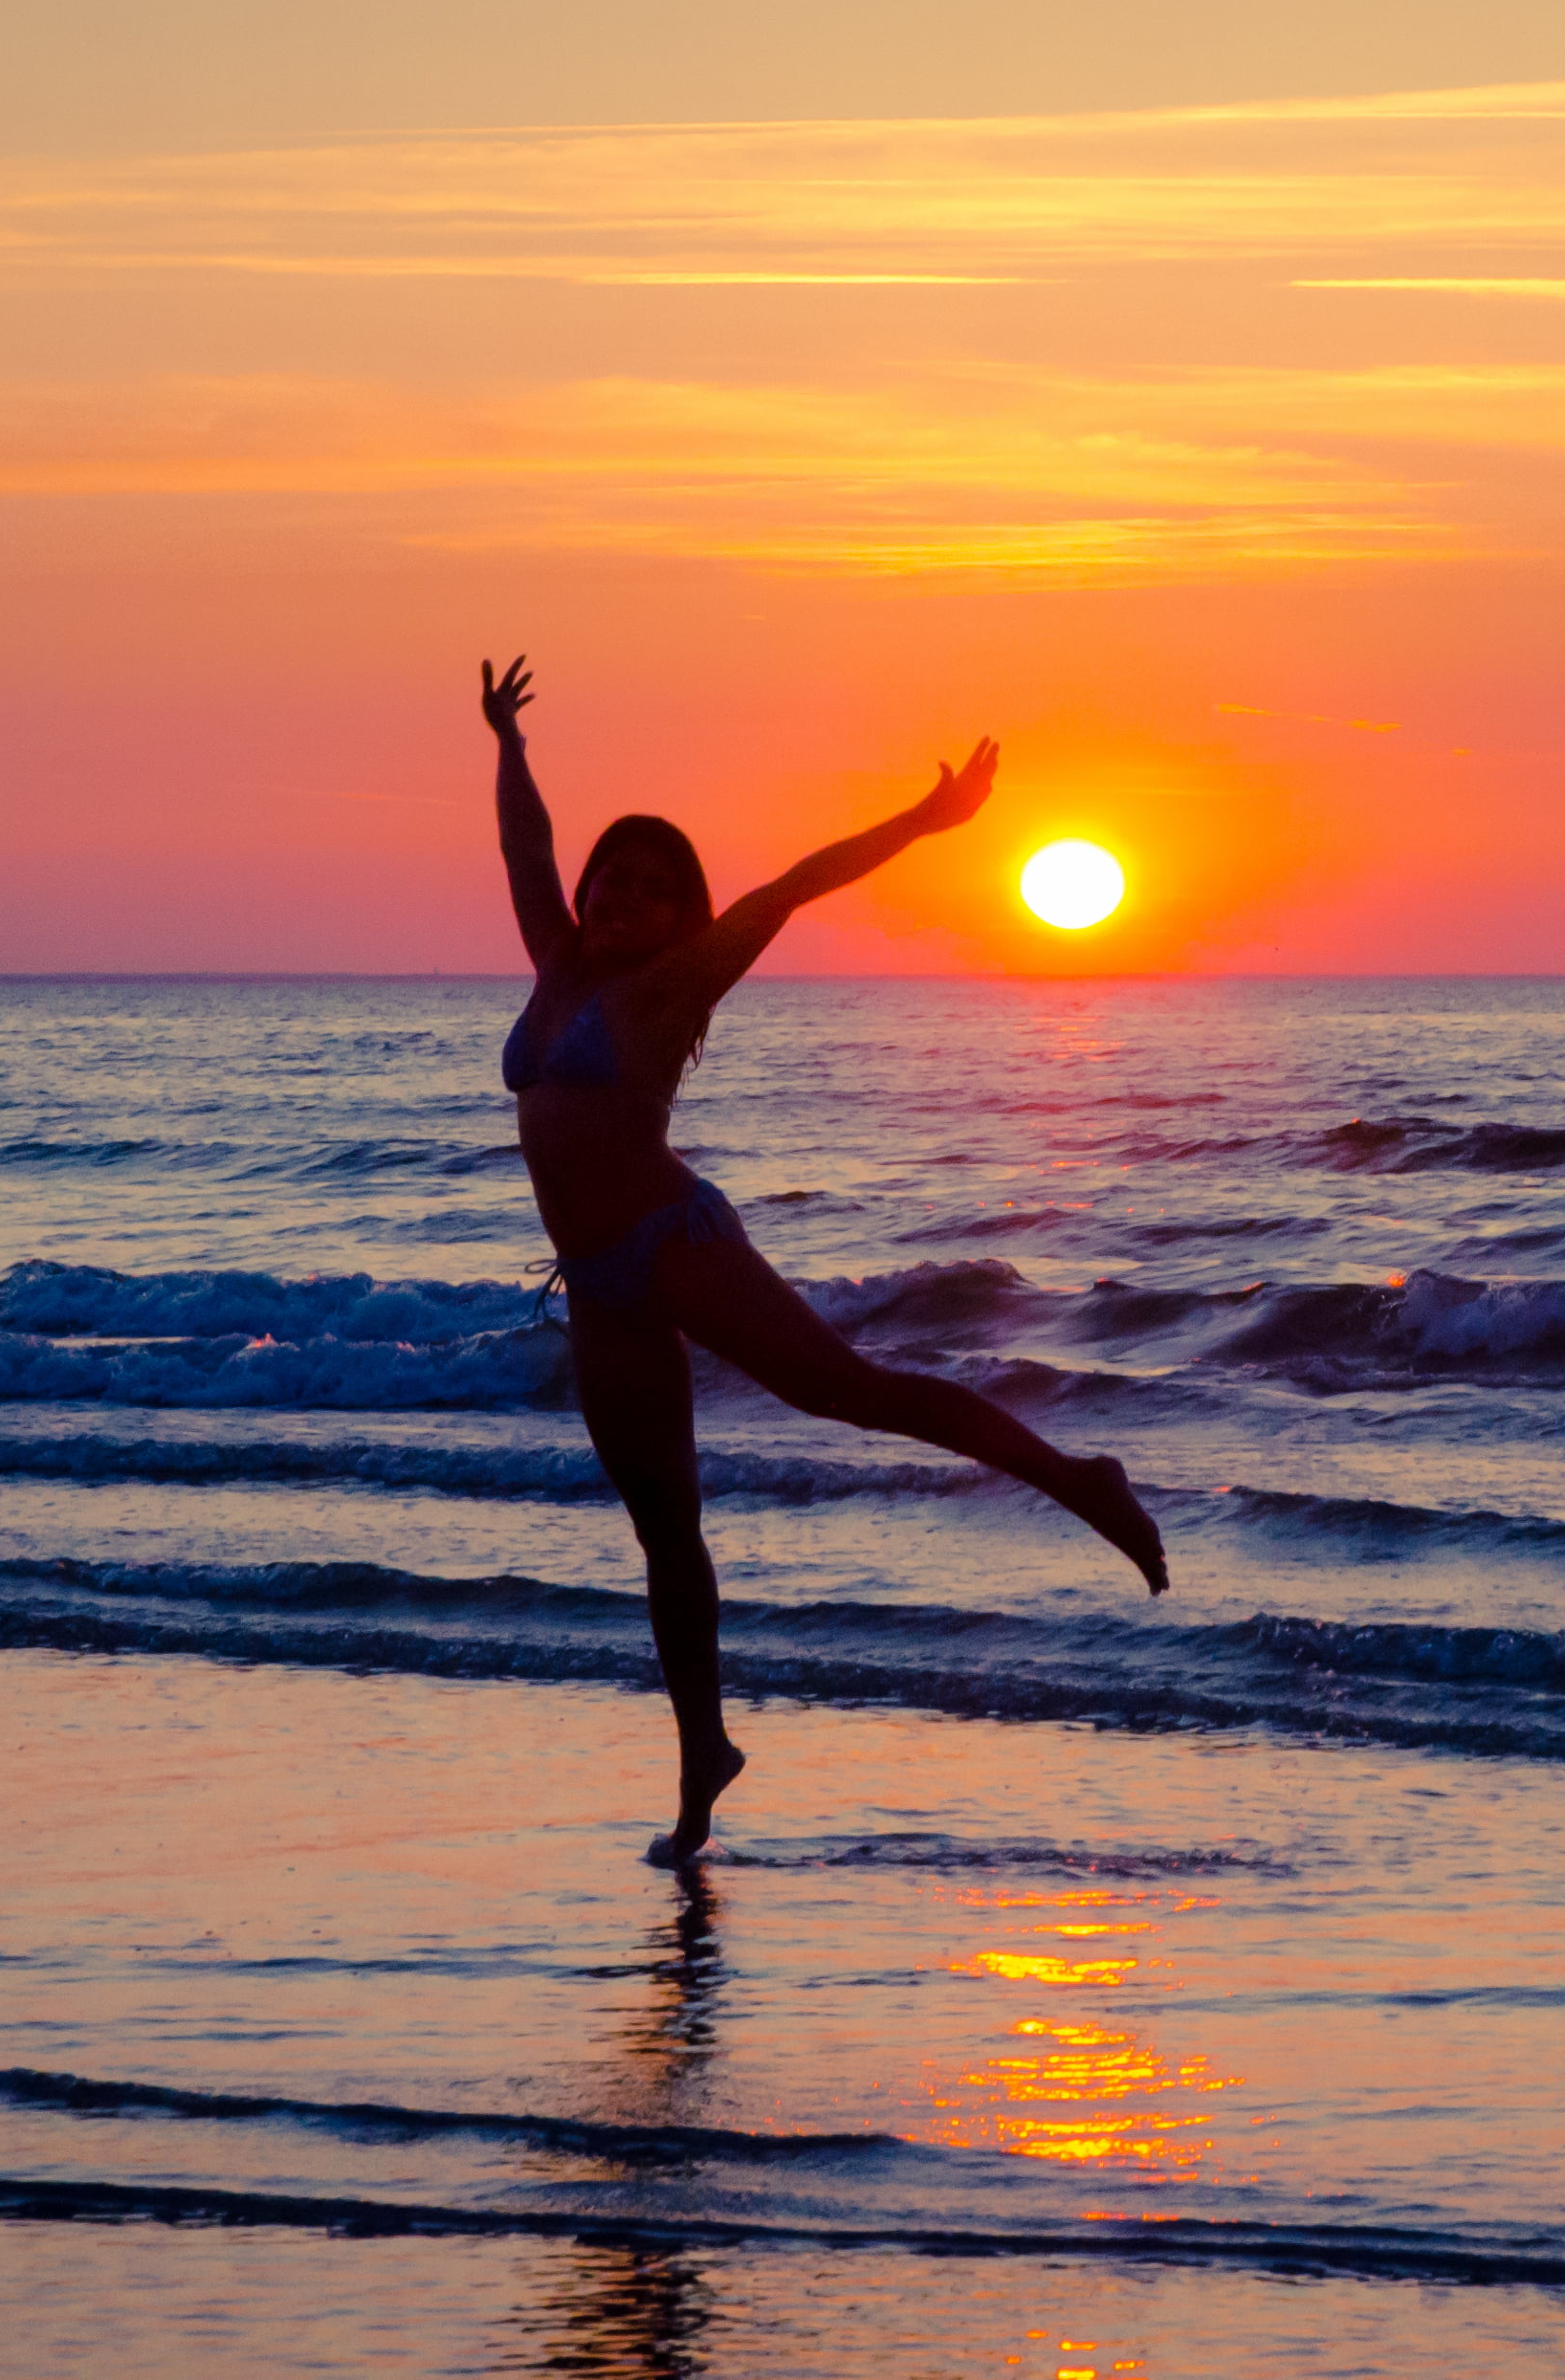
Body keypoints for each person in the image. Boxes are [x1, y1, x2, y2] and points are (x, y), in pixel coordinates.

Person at [479, 654, 1169, 1868]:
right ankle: (704, 1754)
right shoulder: (557, 969)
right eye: (612, 877)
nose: (622, 894)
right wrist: (509, 747)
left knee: (846, 1392)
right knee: (666, 1532)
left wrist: (927, 818)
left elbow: (796, 883)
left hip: (671, 1243)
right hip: (596, 1290)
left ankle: (1079, 1478)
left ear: (687, 919)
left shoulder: (673, 982)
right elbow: (529, 854)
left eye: (653, 885)